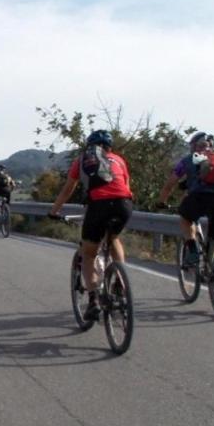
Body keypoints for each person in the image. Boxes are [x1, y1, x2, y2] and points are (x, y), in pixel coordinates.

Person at [47, 130, 134, 320]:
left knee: (88, 253)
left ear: (90, 146)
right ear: (109, 147)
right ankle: (120, 281)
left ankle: (93, 299)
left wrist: (54, 211)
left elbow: (67, 190)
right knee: (113, 238)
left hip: (98, 206)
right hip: (124, 205)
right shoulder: (119, 160)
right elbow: (126, 187)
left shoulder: (82, 161)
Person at [157, 131, 214, 268]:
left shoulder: (188, 160)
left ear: (194, 146)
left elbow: (169, 185)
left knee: (185, 219)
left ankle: (193, 251)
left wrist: (161, 202)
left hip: (200, 196)